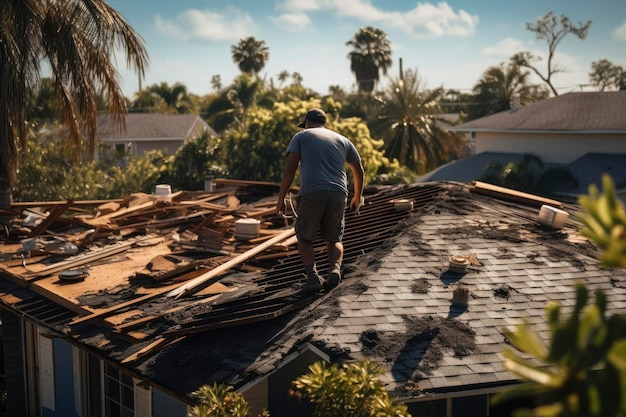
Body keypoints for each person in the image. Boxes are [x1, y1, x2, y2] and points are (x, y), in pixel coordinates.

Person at [277, 108, 365, 293]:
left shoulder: (301, 136)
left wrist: (281, 198)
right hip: (339, 193)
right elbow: (359, 170)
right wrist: (357, 196)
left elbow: (290, 169)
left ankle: (313, 277)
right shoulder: (342, 140)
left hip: (312, 191)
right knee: (334, 238)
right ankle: (334, 269)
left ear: (308, 123)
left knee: (304, 236)